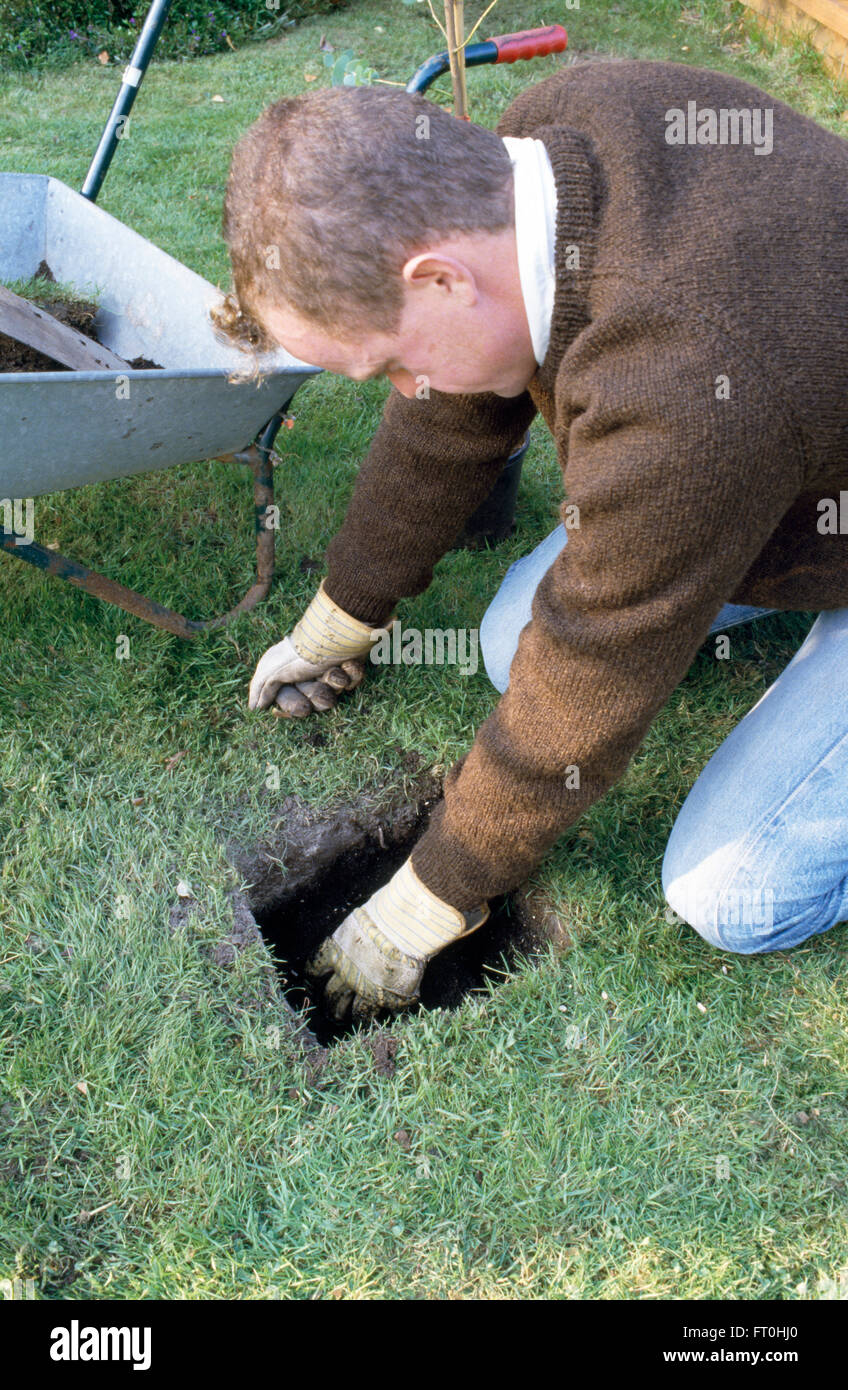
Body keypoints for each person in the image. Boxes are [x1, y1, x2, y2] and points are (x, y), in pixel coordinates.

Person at [213, 60, 848, 1022]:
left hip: (772, 461)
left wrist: (429, 899)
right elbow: (450, 410)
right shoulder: (547, 145)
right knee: (512, 644)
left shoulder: (685, 387)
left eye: (388, 364)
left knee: (734, 894)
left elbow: (600, 662)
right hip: (788, 464)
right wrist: (344, 611)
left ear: (438, 277)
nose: (399, 389)